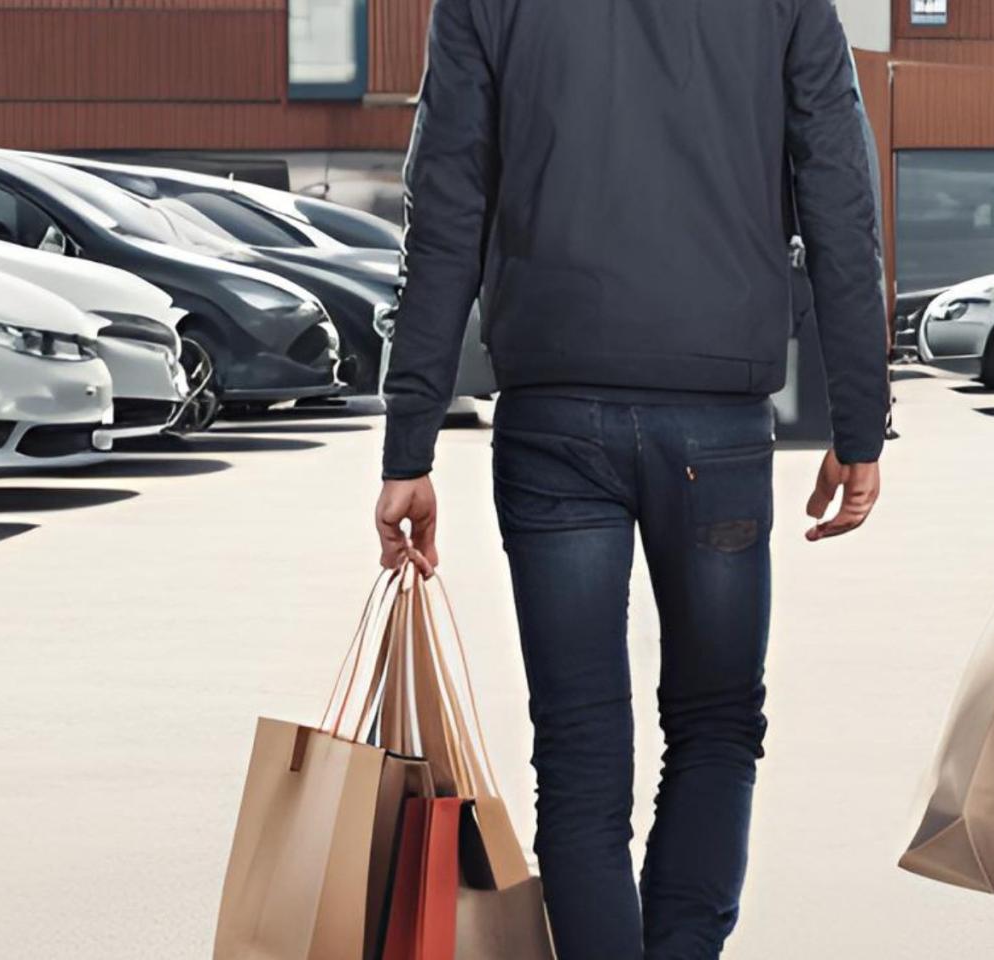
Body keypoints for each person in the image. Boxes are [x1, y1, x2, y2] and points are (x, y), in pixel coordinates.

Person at [372, 1, 889, 958]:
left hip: (552, 419)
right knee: (718, 723)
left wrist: (410, 445)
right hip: (717, 422)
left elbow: (444, 211)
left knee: (576, 755)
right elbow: (838, 197)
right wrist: (860, 419)